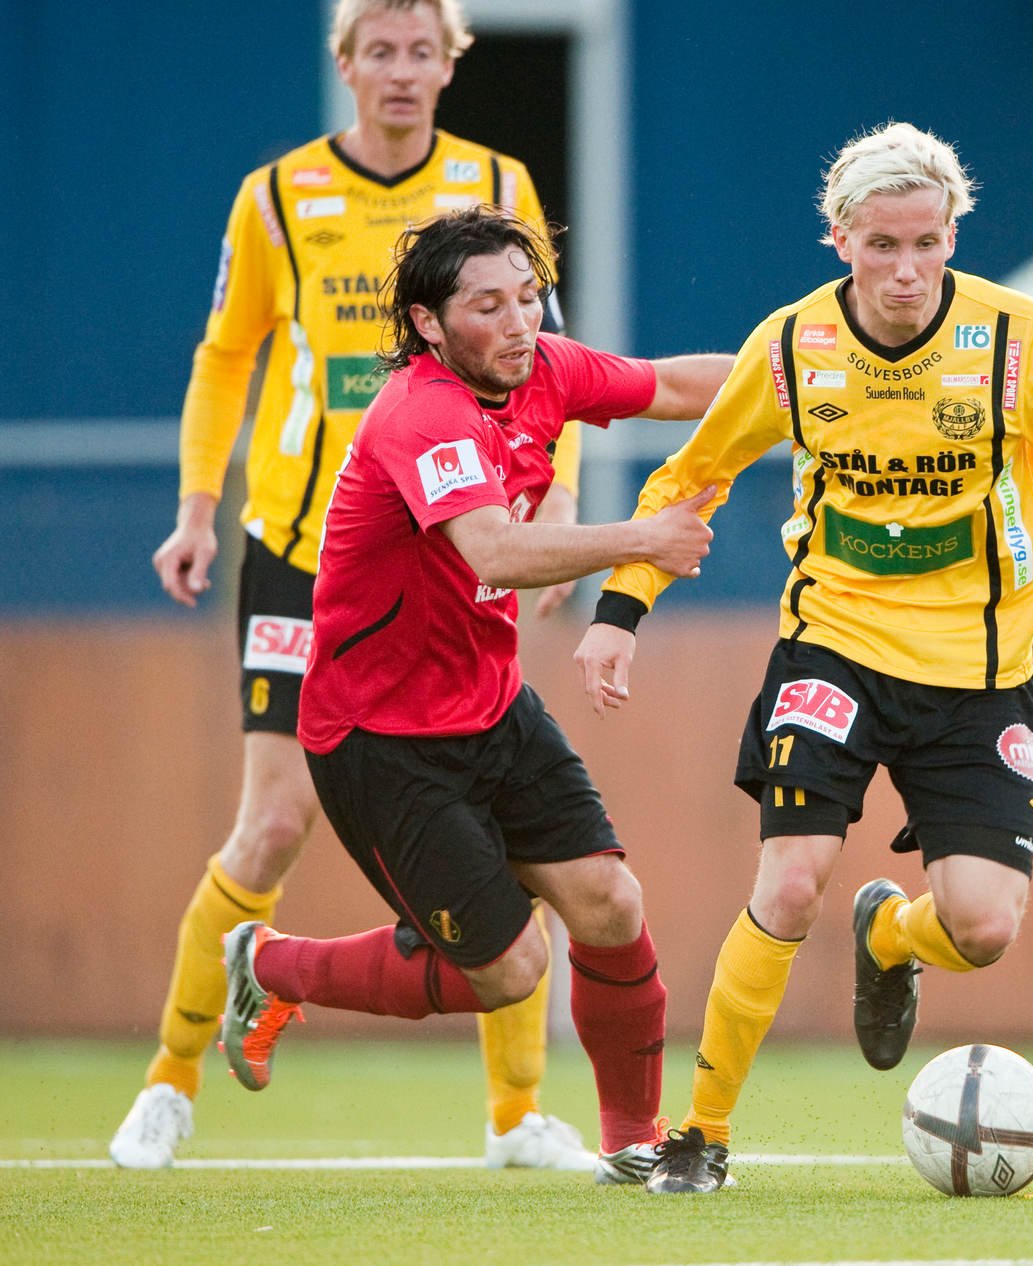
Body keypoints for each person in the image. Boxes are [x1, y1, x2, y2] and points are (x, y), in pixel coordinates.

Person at [572, 121, 1033, 1195]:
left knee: (984, 927)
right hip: (835, 647)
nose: (906, 270)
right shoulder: (793, 348)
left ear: (955, 233)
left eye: (927, 243)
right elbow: (690, 476)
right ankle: (701, 1133)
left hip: (982, 673)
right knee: (792, 877)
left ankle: (894, 938)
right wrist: (621, 608)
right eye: (881, 245)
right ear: (838, 240)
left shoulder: (1016, 341)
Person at [118, 0, 592, 1171]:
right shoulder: (276, 196)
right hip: (303, 548)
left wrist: (562, 498)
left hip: (456, 547)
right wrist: (194, 508)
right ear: (345, 66)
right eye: (377, 50)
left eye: (421, 50)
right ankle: (170, 1082)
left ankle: (515, 1115)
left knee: (505, 826)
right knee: (272, 822)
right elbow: (227, 353)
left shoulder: (496, 185)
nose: (399, 70)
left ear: (449, 64)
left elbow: (553, 363)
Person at [213, 205, 732, 1186]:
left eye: (529, 299)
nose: (519, 322)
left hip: (492, 708)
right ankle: (270, 965)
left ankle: (633, 1146)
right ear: (428, 325)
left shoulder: (548, 370)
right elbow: (494, 548)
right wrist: (642, 537)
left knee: (611, 905)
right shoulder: (421, 413)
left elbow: (671, 385)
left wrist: (810, 378)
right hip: (380, 739)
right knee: (509, 973)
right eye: (488, 305)